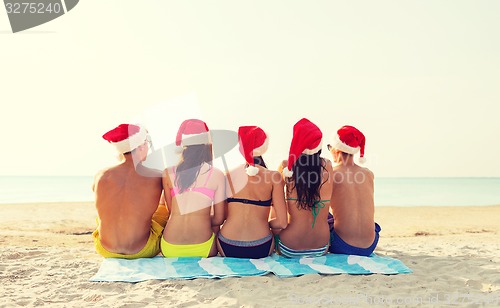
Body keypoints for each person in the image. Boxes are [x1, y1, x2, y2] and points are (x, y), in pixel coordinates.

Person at [93, 124, 168, 259]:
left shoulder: (101, 175)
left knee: (104, 214)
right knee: (164, 209)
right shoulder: (156, 176)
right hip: (142, 250)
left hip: (105, 249)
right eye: (147, 143)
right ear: (140, 146)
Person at [217, 126, 288, 258]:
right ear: (264, 147)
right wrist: (263, 223)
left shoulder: (227, 175)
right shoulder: (274, 177)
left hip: (227, 245)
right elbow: (282, 223)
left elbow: (220, 218)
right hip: (261, 246)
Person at [161, 119, 226, 258]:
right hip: (203, 249)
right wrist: (201, 217)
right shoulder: (217, 174)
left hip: (170, 248)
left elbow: (171, 211)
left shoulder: (168, 173)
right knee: (214, 228)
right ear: (206, 143)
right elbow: (219, 219)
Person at [276, 118, 334, 258]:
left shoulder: (285, 166)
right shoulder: (328, 166)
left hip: (288, 248)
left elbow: (275, 209)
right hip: (321, 248)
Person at [327, 125, 381, 256]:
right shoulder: (368, 174)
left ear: (336, 149)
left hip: (342, 245)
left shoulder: (331, 174)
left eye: (329, 147)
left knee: (322, 214)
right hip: (370, 246)